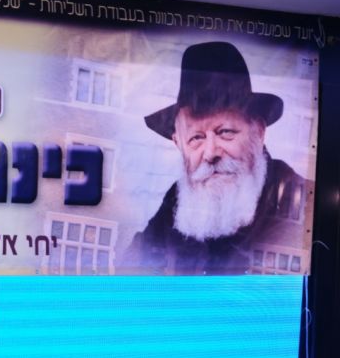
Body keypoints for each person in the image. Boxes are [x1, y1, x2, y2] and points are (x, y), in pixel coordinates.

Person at [122, 41, 308, 274]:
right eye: (196, 138)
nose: (210, 153)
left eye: (225, 132)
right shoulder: (176, 201)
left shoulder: (300, 203)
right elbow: (128, 270)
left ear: (258, 132)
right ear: (178, 143)